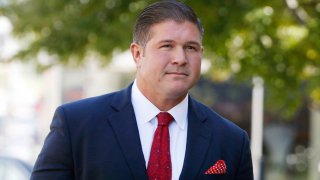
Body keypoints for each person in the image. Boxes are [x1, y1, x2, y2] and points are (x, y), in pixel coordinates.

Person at [31, 1, 253, 179]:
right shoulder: (76, 124)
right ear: (138, 54)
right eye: (167, 46)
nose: (180, 58)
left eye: (191, 48)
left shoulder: (231, 140)